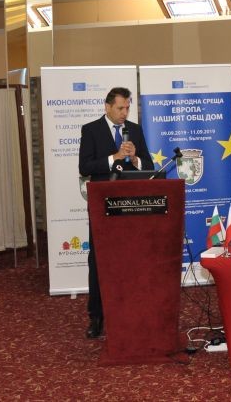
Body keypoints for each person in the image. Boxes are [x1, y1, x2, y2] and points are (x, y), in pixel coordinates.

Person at [78, 87, 153, 338]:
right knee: (99, 259)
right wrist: (115, 157)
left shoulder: (135, 130)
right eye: (120, 108)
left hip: (131, 205)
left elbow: (149, 165)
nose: (124, 113)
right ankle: (96, 316)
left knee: (130, 257)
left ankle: (129, 310)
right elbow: (84, 166)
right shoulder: (91, 130)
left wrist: (135, 159)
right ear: (107, 106)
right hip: (102, 205)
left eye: (127, 108)